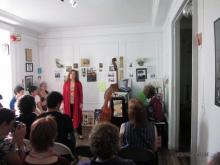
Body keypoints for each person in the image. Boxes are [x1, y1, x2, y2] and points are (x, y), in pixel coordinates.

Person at [63, 69, 83, 139]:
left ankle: (80, 133)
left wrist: (81, 103)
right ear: (69, 75)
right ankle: (69, 133)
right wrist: (63, 104)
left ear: (76, 75)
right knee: (68, 119)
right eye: (71, 73)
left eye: (74, 74)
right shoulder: (66, 83)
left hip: (76, 104)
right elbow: (64, 94)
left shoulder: (78, 83)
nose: (72, 75)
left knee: (78, 118)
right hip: (68, 104)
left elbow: (81, 94)